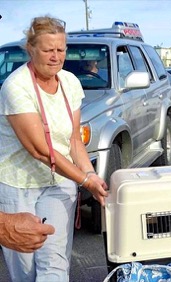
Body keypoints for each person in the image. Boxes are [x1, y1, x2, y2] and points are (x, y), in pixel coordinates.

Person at [0, 16, 108, 281]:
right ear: (31, 48)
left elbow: (73, 140)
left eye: (60, 50)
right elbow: (39, 150)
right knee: (25, 271)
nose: (55, 56)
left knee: (54, 264)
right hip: (18, 184)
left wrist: (90, 174)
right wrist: (83, 179)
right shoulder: (16, 86)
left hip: (59, 181)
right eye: (48, 50)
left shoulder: (70, 83)